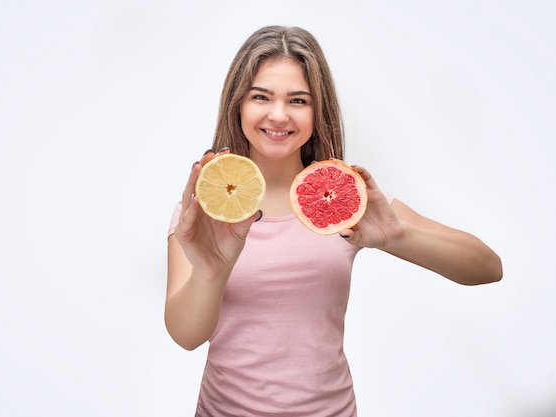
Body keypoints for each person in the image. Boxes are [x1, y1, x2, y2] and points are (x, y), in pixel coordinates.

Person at [165, 25, 503, 417]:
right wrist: (212, 271)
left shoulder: (347, 199)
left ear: (316, 110)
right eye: (261, 97)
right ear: (238, 104)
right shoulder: (205, 209)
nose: (278, 114)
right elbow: (185, 336)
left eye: (297, 100)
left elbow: (488, 267)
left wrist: (397, 236)